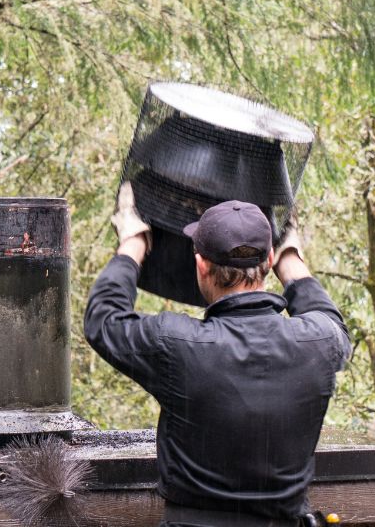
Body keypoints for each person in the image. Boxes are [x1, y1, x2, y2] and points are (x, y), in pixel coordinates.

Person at [84, 183, 352, 527]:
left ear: (200, 265)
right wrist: (290, 258)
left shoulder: (176, 345)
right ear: (267, 261)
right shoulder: (319, 342)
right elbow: (330, 320)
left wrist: (133, 241)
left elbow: (103, 320)